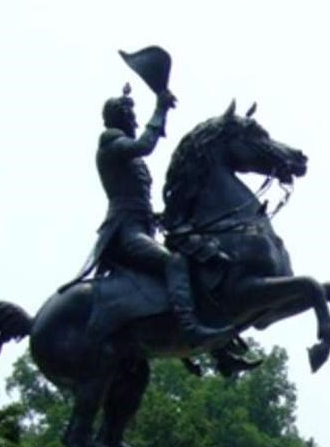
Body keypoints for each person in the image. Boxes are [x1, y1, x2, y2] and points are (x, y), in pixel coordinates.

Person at [74, 84, 222, 348]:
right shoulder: (110, 141)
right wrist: (160, 108)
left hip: (142, 225)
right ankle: (190, 328)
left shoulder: (124, 152)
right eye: (130, 117)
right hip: (125, 231)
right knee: (175, 262)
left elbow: (138, 199)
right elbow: (145, 145)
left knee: (190, 257)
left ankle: (219, 346)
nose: (135, 121)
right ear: (118, 118)